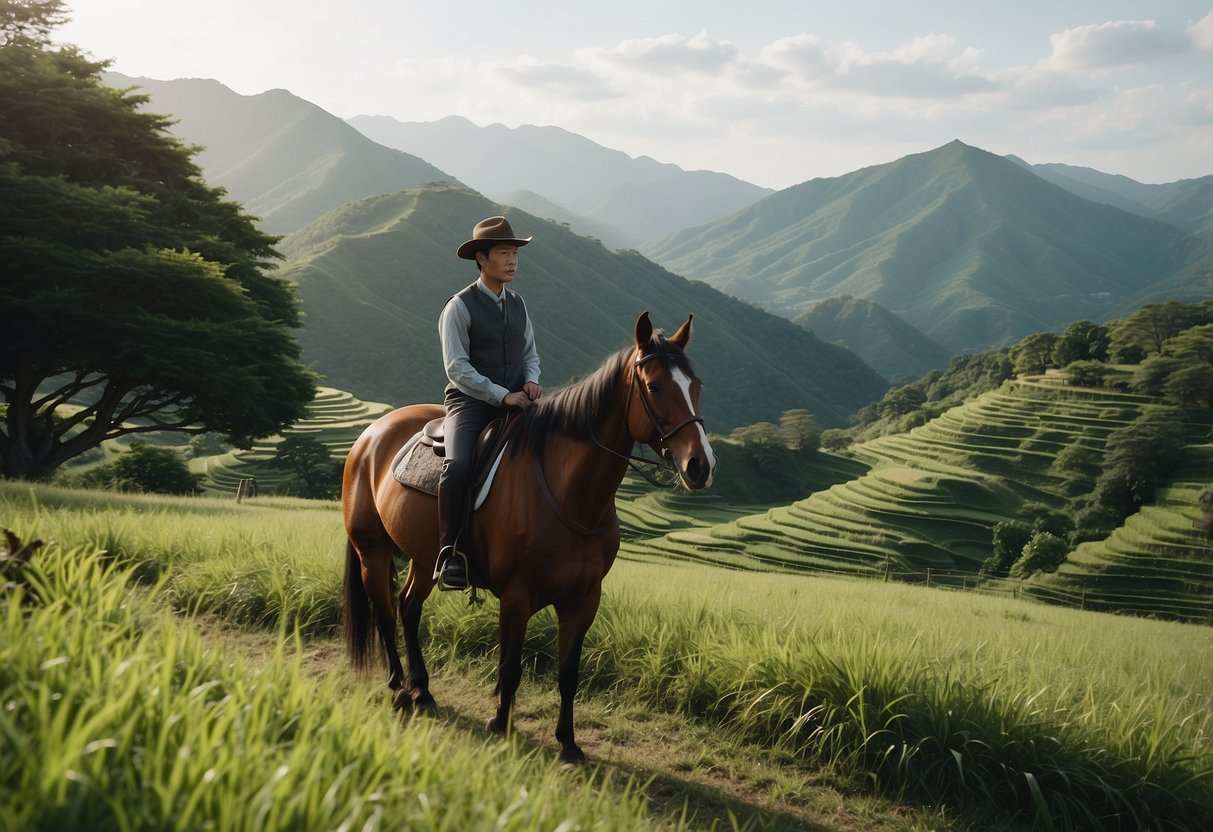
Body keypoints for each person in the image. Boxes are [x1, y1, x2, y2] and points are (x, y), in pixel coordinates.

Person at [435, 216, 543, 590]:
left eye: (515, 253)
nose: (512, 261)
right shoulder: (459, 307)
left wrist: (531, 381)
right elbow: (457, 368)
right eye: (503, 253)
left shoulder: (518, 303)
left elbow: (530, 352)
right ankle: (449, 554)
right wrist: (502, 394)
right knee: (459, 465)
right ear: (481, 259)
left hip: (518, 399)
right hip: (471, 404)